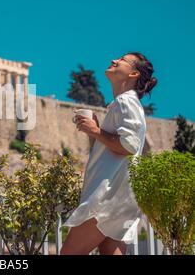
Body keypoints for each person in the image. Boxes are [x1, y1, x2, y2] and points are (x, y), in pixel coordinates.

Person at [60, 52, 158, 255]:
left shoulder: (125, 102)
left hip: (108, 198)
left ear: (133, 74)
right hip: (123, 200)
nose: (114, 61)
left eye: (122, 60)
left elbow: (128, 145)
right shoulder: (126, 104)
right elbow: (118, 147)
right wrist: (95, 132)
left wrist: (95, 131)